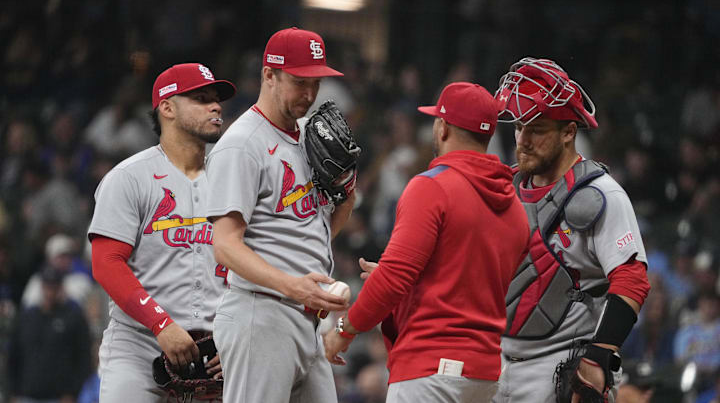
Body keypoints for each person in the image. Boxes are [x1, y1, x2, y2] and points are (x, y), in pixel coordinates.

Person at [323, 82, 530, 403]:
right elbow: (467, 280)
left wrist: (343, 331)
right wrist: (411, 278)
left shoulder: (431, 187)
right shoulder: (514, 206)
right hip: (485, 374)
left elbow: (394, 278)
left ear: (443, 127)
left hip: (432, 369)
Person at [205, 27, 354, 403]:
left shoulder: (309, 136)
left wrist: (346, 194)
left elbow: (312, 226)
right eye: (299, 82)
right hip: (262, 310)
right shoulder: (241, 145)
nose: (309, 94)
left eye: (315, 83)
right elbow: (224, 246)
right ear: (268, 75)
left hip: (307, 319)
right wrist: (292, 284)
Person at [490, 57, 651, 403]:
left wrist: (599, 356)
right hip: (496, 361)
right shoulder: (505, 188)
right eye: (519, 127)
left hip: (560, 366)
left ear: (568, 132)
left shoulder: (601, 194)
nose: (523, 139)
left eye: (537, 129)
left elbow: (632, 278)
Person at [87, 63, 236, 402]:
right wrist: (160, 324)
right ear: (167, 107)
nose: (216, 106)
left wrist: (240, 338)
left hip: (218, 350)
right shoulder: (129, 177)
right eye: (201, 98)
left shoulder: (234, 176)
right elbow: (107, 262)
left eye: (216, 99)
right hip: (140, 345)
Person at [8, 268, 92, 402]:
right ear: (41, 287)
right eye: (47, 286)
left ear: (61, 288)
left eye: (54, 287)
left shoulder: (73, 318)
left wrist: (73, 392)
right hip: (26, 395)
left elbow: (84, 358)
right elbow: (14, 356)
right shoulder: (26, 317)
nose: (50, 292)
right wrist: (12, 392)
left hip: (59, 397)